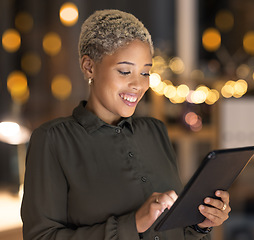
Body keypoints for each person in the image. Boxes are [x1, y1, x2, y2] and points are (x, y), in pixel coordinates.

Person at [21, 9, 231, 240]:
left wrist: (201, 225)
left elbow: (177, 233)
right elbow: (40, 237)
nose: (137, 85)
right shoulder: (53, 140)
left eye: (145, 73)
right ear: (89, 67)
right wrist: (133, 225)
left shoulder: (155, 131)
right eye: (124, 71)